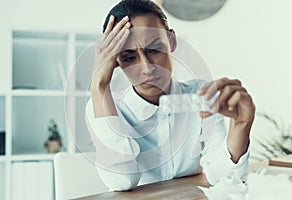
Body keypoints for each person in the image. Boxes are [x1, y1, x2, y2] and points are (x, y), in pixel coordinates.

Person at [85, 0, 255, 191]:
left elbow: (223, 177)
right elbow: (122, 182)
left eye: (155, 49)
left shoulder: (200, 95)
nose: (147, 68)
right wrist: (99, 87)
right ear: (115, 61)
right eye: (129, 57)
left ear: (171, 41)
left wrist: (241, 125)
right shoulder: (103, 105)